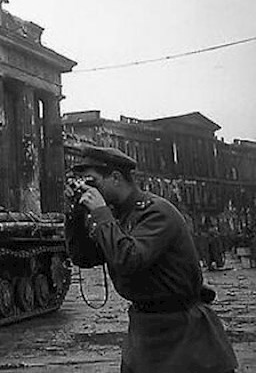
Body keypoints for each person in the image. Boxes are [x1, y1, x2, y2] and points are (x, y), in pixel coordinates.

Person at [66, 145, 237, 373]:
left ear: (116, 177)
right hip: (145, 331)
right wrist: (75, 215)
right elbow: (84, 257)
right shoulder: (118, 216)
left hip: (184, 333)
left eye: (94, 182)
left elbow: (128, 259)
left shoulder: (156, 212)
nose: (90, 190)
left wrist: (100, 212)